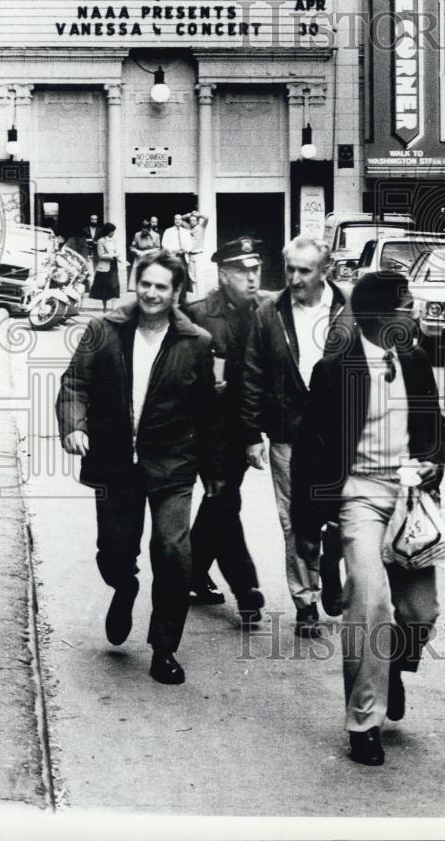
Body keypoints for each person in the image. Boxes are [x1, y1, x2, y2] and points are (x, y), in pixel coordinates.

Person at [291, 271, 445, 766]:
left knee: (421, 614)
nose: (415, 312)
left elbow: (436, 429)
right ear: (383, 314)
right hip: (357, 496)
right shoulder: (336, 368)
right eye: (408, 304)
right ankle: (364, 722)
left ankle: (392, 666)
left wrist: (432, 461)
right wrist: (306, 527)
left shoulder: (418, 361)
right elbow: (309, 452)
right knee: (371, 605)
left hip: (409, 496)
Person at [55, 249, 226, 685]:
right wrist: (74, 426)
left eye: (161, 286)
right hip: (116, 463)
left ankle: (164, 648)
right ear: (135, 283)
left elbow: (208, 412)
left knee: (172, 552)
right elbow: (75, 382)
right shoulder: (103, 328)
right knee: (114, 552)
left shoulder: (195, 342)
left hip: (173, 465)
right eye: (145, 283)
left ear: (177, 292)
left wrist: (215, 471)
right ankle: (124, 587)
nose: (151, 293)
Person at [241, 235, 347, 637]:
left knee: (342, 517)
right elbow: (251, 373)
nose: (296, 278)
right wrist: (252, 432)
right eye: (290, 269)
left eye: (305, 270)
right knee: (293, 521)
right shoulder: (269, 313)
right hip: (288, 432)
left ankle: (332, 565)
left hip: (342, 433)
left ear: (326, 271)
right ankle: (306, 601)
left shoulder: (350, 307)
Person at [184, 237, 266, 624]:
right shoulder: (197, 314)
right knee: (225, 502)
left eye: (256, 270)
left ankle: (192, 571)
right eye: (243, 271)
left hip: (242, 427)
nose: (252, 278)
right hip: (203, 428)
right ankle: (247, 590)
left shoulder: (267, 310)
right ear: (223, 274)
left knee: (219, 501)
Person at [88, 222, 122, 312]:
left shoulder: (114, 240)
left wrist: (118, 257)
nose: (113, 233)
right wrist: (112, 255)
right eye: (112, 231)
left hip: (113, 266)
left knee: (114, 286)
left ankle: (114, 307)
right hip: (104, 267)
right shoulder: (101, 241)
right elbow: (101, 255)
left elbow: (116, 250)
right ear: (108, 231)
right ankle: (104, 307)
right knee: (104, 289)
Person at [161, 213, 192, 304]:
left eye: (179, 219)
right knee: (172, 276)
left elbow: (190, 245)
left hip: (183, 256)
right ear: (174, 221)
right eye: (176, 219)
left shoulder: (186, 232)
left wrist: (184, 250)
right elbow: (164, 244)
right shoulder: (168, 231)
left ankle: (183, 298)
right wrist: (174, 250)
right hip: (173, 256)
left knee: (184, 277)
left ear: (181, 221)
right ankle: (171, 298)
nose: (178, 221)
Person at [128, 219, 160, 290]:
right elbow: (132, 247)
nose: (144, 231)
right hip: (139, 259)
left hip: (150, 258)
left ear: (149, 229)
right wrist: (137, 251)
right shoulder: (137, 235)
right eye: (143, 228)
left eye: (146, 229)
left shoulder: (156, 236)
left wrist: (147, 252)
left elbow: (158, 248)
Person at [185, 211, 209, 300]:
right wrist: (188, 214)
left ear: (197, 221)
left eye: (194, 220)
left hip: (198, 255)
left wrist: (199, 214)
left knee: (199, 277)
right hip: (190, 255)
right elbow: (182, 219)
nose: (192, 222)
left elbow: (206, 217)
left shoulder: (201, 227)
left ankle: (201, 297)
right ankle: (195, 297)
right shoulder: (188, 227)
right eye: (190, 220)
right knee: (192, 277)